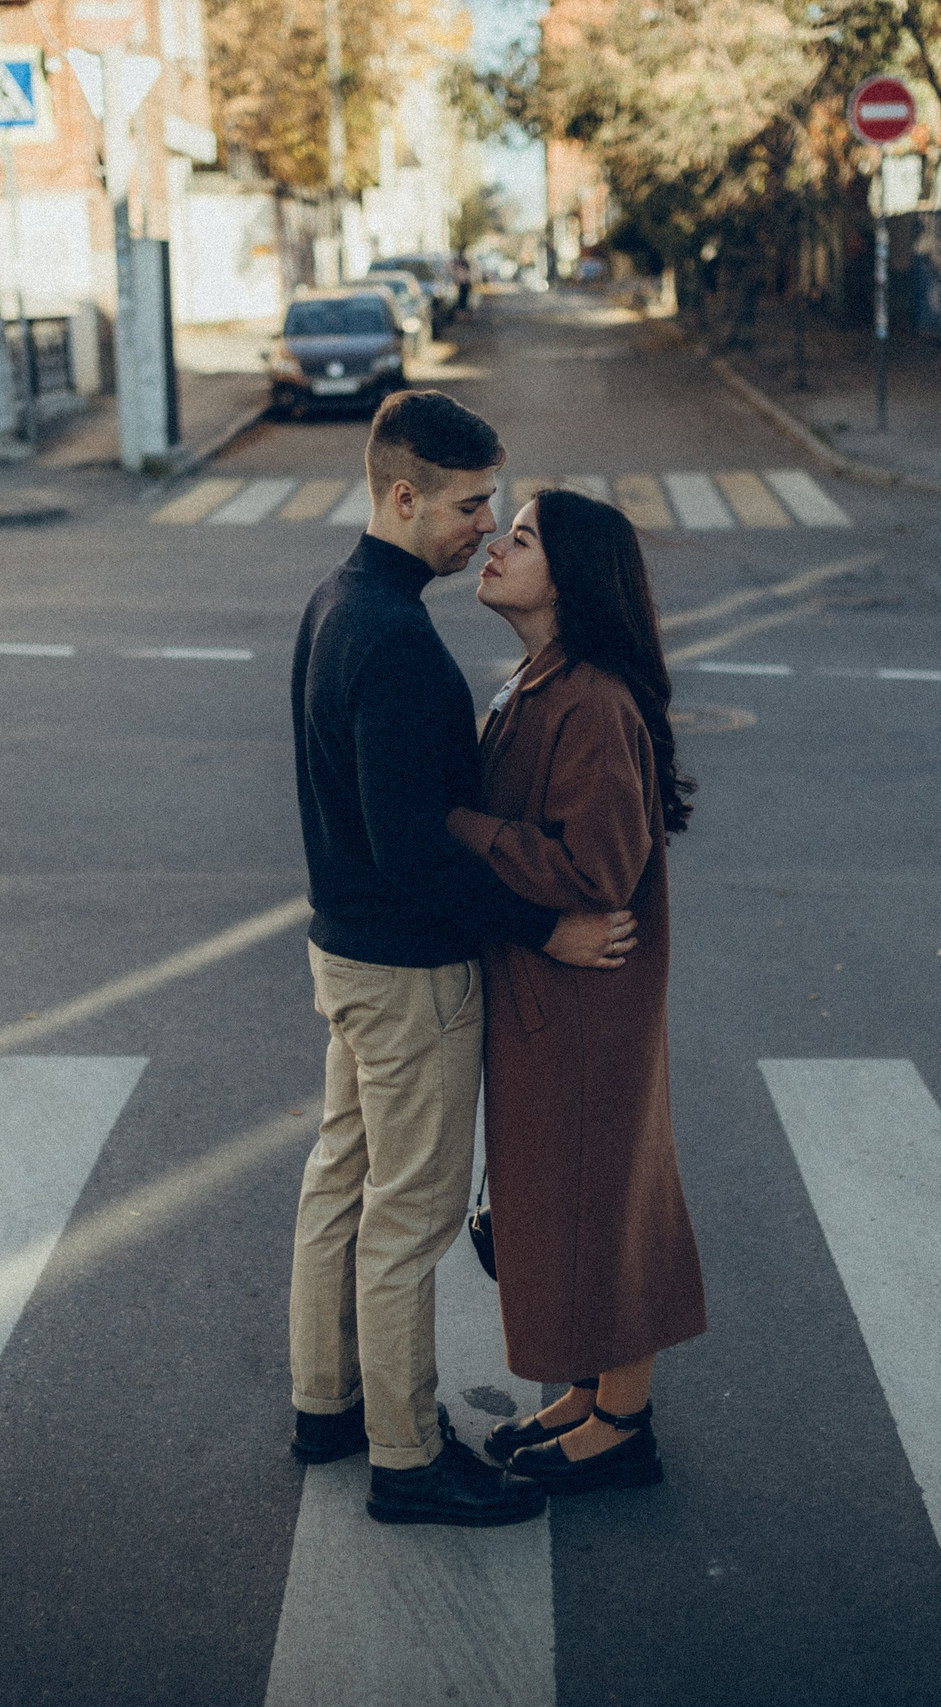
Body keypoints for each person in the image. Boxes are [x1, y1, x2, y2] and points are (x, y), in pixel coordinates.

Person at [287, 390, 638, 1528]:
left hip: (343, 955)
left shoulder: (336, 602)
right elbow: (412, 852)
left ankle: (326, 1406)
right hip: (405, 973)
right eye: (469, 503)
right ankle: (405, 1456)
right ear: (402, 496)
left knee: (340, 1185)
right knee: (410, 1217)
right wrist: (545, 930)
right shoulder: (394, 643)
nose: (484, 527)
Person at [446, 488, 708, 1496]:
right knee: (565, 1204)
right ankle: (592, 1399)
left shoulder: (592, 701)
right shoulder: (542, 682)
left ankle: (623, 1426)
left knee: (603, 1207)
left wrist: (459, 828)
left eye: (520, 539)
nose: (495, 547)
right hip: (552, 1002)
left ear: (574, 578)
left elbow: (598, 872)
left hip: (588, 1010)